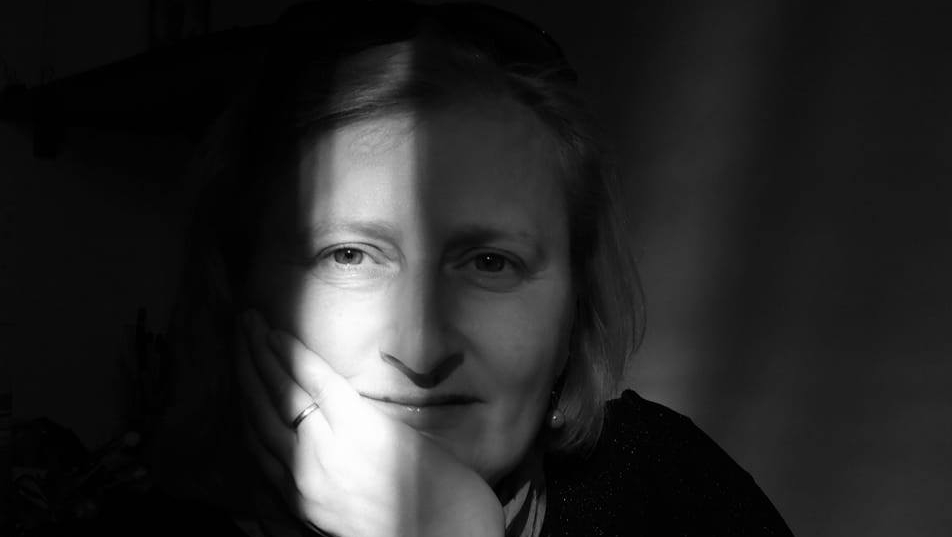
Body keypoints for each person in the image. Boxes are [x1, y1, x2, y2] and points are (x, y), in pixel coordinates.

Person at [143, 1, 796, 536]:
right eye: (349, 255)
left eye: (490, 262)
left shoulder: (666, 486)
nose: (421, 349)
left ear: (574, 313)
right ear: (238, 285)